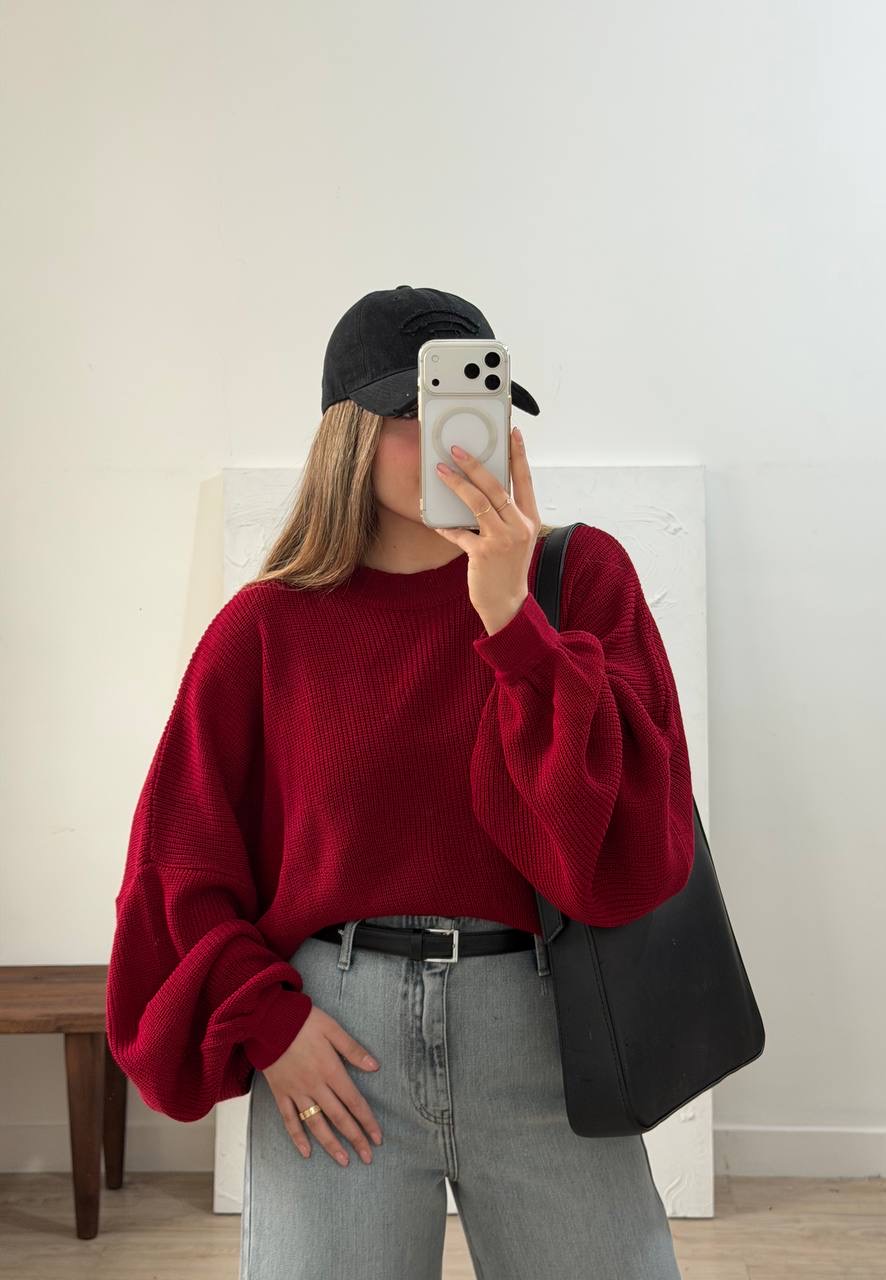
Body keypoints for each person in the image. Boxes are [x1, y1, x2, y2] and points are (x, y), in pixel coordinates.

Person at [106, 285, 693, 1279]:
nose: (450, 443)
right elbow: (175, 865)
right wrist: (268, 1021)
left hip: (545, 1035)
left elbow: (629, 845)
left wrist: (514, 624)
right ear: (347, 435)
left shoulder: (582, 583)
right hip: (337, 1046)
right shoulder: (267, 629)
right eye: (412, 415)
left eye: (471, 409)